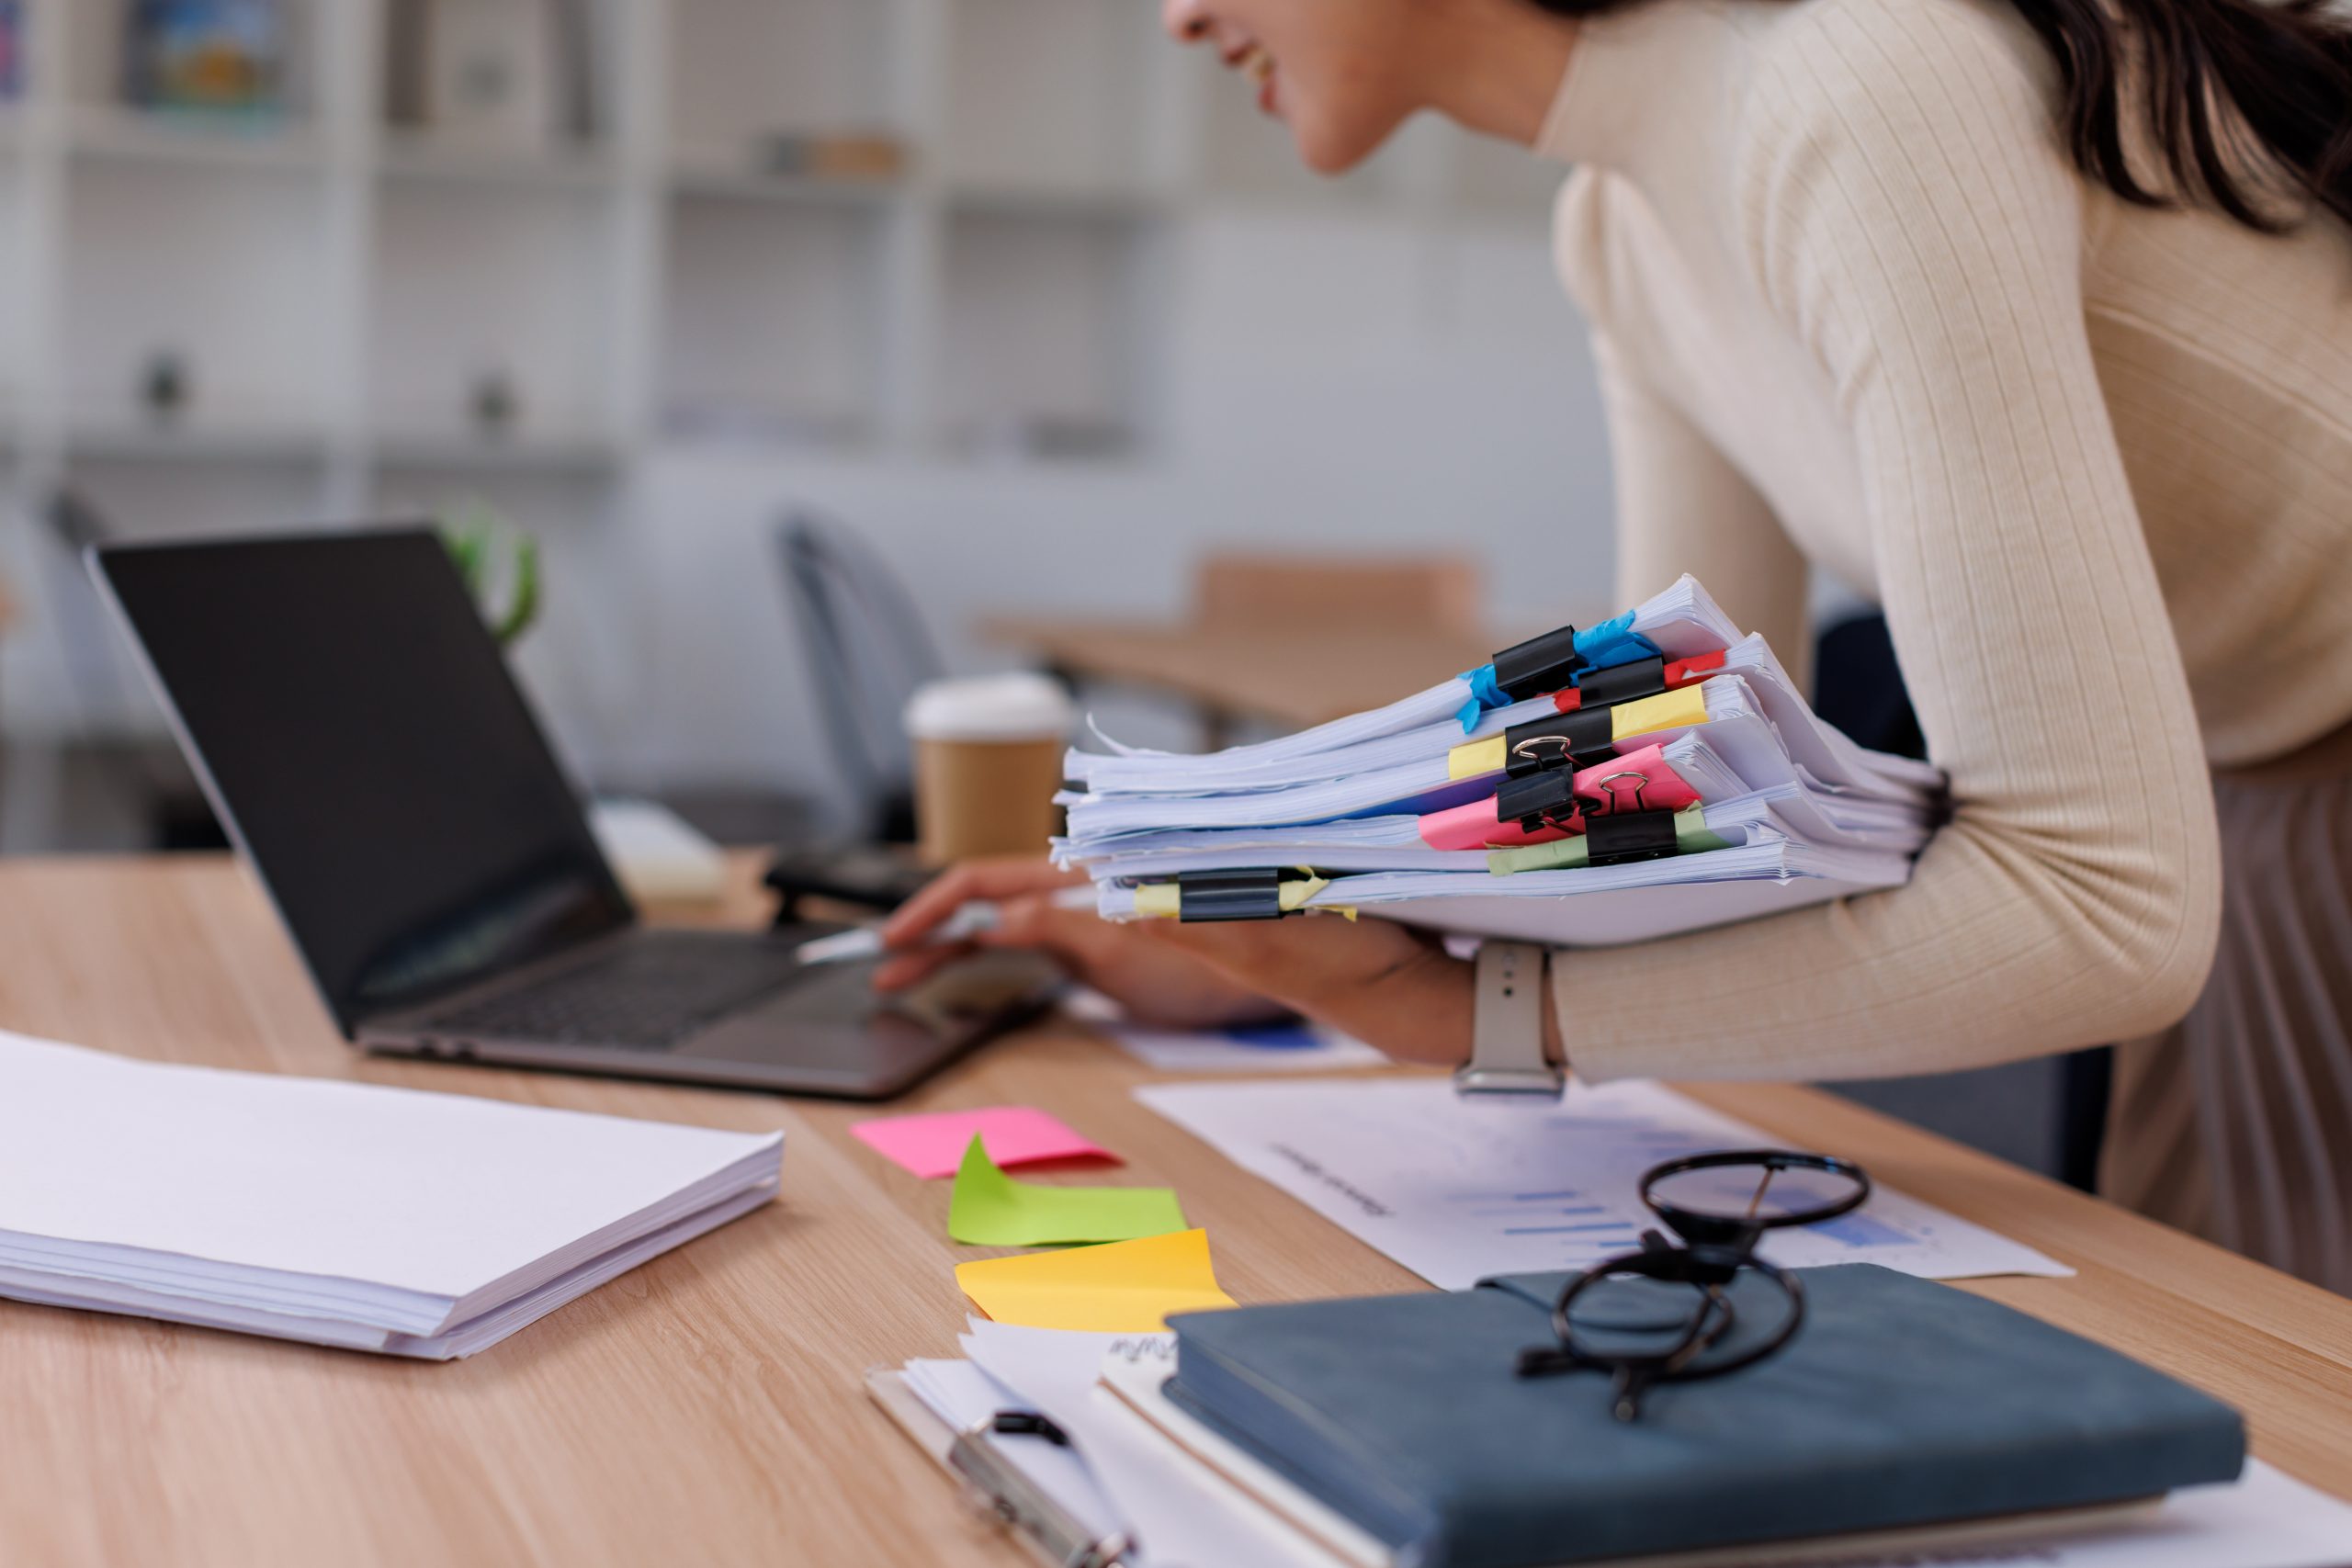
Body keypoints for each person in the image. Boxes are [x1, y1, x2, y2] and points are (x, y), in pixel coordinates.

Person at [879, 0, 2352, 1293]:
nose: (1178, 17)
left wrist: (1471, 1012)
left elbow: (2097, 903)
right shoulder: (1621, 222)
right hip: (2244, 789)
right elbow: (1669, 809)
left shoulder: (1868, 80)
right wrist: (1273, 921)